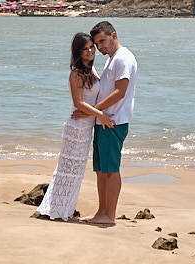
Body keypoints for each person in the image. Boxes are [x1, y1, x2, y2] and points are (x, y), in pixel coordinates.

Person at [37, 33, 113, 221]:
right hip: (76, 128)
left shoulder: (92, 70)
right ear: (78, 52)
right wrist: (100, 115)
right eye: (85, 48)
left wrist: (92, 113)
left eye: (91, 47)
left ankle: (64, 210)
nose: (90, 51)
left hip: (86, 127)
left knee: (76, 172)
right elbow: (78, 103)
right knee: (68, 171)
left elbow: (87, 104)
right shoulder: (76, 73)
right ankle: (57, 211)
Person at [81, 20, 138, 225]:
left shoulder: (123, 58)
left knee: (111, 169)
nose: (100, 47)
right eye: (97, 44)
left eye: (103, 41)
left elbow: (120, 92)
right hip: (102, 121)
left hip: (113, 122)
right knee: (100, 169)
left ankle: (109, 215)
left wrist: (96, 111)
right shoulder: (112, 59)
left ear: (113, 34)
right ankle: (101, 211)